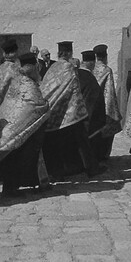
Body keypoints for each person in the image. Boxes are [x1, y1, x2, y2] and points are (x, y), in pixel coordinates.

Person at [0, 52, 50, 197]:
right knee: (18, 159)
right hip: (17, 132)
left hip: (9, 130)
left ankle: (13, 187)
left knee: (12, 160)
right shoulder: (29, 85)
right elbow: (37, 106)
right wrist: (46, 105)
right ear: (32, 68)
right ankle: (11, 189)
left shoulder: (17, 80)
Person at [40, 41, 91, 178]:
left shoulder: (53, 66)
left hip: (51, 108)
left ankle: (56, 169)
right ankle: (79, 167)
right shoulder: (69, 67)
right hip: (67, 110)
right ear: (69, 53)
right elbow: (74, 88)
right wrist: (79, 108)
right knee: (74, 138)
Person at [91, 44, 123, 160]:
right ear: (105, 56)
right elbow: (109, 91)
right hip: (105, 106)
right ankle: (104, 156)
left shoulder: (91, 68)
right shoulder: (107, 70)